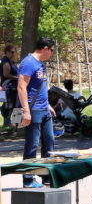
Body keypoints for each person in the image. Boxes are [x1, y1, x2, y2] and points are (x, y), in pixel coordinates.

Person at [17, 37, 56, 186]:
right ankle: (28, 180)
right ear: (45, 48)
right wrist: (26, 111)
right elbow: (21, 87)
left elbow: (40, 86)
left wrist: (48, 105)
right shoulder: (28, 63)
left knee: (49, 142)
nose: (51, 53)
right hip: (33, 110)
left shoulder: (40, 64)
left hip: (44, 109)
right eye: (51, 50)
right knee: (32, 145)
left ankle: (46, 176)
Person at [1, 44, 17, 125]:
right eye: (12, 52)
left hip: (12, 86)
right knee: (8, 105)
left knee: (14, 104)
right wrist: (17, 78)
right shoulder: (5, 61)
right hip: (8, 86)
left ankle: (13, 122)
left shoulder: (11, 62)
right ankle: (7, 122)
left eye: (14, 52)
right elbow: (6, 74)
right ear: (7, 52)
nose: (14, 54)